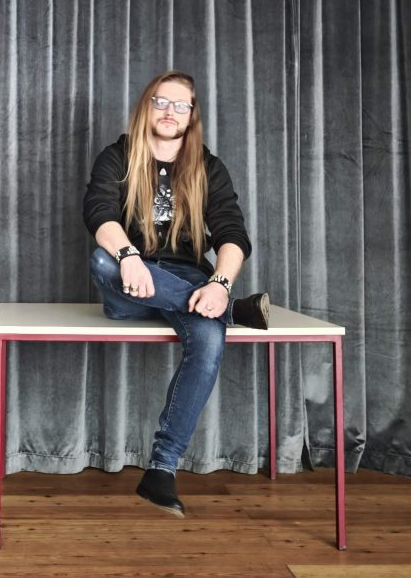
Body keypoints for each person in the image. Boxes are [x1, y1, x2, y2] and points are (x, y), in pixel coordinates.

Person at [83, 69, 268, 517]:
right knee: (102, 261)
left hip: (188, 281)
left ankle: (161, 470)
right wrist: (128, 256)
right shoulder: (118, 156)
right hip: (131, 282)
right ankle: (231, 311)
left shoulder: (207, 166)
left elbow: (232, 233)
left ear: (192, 114)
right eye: (161, 102)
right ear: (147, 107)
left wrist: (220, 284)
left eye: (180, 105)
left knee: (208, 338)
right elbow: (98, 211)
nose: (170, 111)